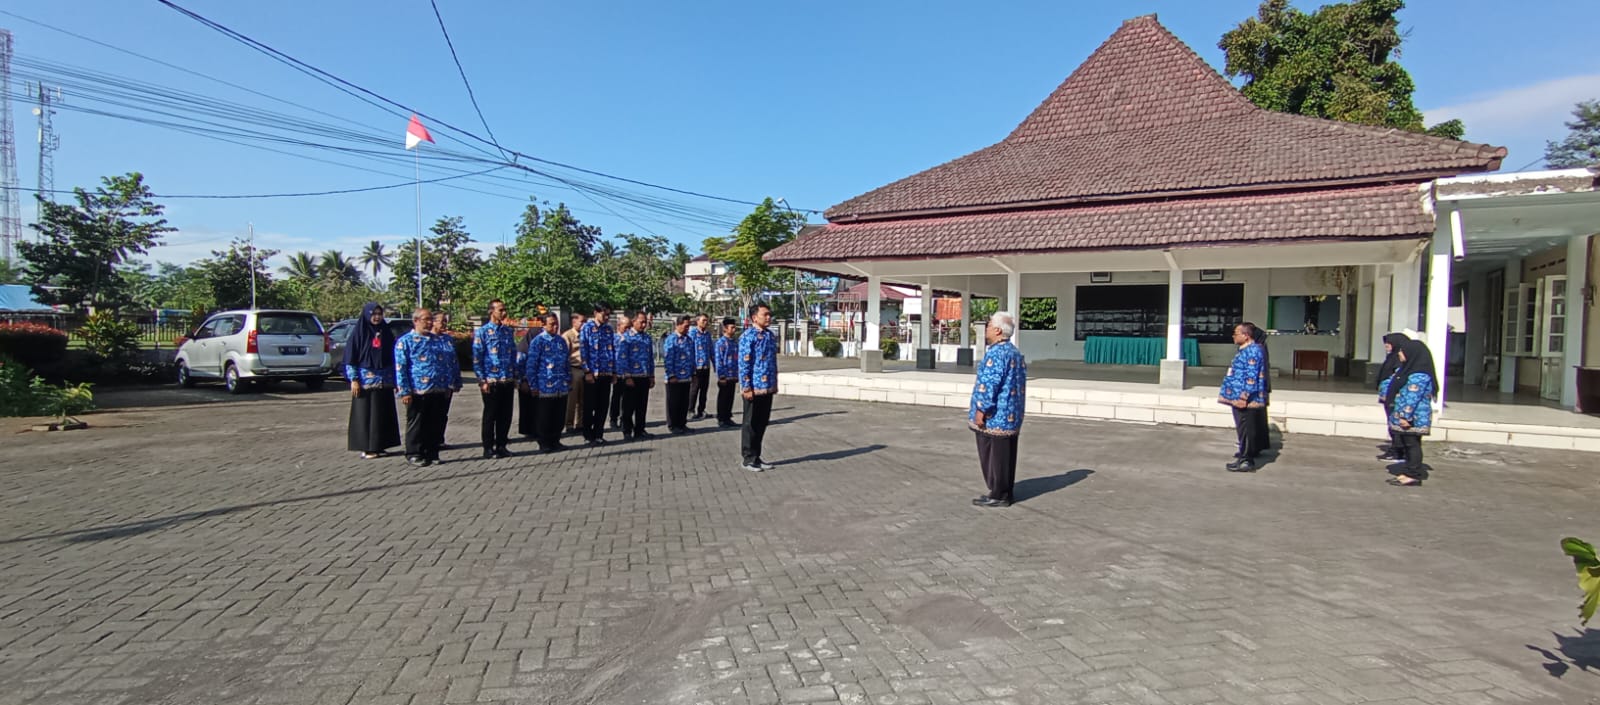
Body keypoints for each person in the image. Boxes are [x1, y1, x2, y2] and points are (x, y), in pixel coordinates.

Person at [970, 311, 1027, 508]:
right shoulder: (1014, 352)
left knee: (993, 456)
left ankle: (998, 493)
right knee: (1006, 456)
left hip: (996, 417)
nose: (986, 329)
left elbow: (990, 385)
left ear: (997, 330)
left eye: (988, 326)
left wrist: (981, 410)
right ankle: (1005, 491)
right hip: (1012, 415)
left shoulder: (996, 354)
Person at [395, 308, 453, 467]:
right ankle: (414, 453)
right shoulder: (405, 341)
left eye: (430, 320)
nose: (429, 323)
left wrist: (448, 384)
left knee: (435, 422)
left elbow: (445, 364)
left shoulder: (437, 340)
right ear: (415, 321)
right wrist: (405, 391)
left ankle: (432, 452)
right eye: (425, 319)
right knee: (417, 423)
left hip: (438, 388)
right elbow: (401, 368)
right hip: (417, 390)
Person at [344, 302, 400, 459]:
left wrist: (396, 381)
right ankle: (367, 447)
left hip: (385, 380)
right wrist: (354, 379)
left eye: (379, 314)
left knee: (382, 413)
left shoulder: (386, 332)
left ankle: (380, 445)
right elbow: (350, 358)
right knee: (366, 415)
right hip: (365, 382)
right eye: (373, 314)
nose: (376, 317)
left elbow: (393, 357)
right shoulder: (359, 333)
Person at [1386, 338, 1438, 487]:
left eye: (1402, 351)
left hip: (1413, 417)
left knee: (1412, 444)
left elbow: (1412, 398)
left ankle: (1413, 474)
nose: (1399, 354)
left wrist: (1405, 417)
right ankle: (1409, 470)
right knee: (1407, 443)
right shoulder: (1407, 370)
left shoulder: (1418, 375)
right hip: (1406, 415)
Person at [1219, 322, 1269, 472]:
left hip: (1246, 400)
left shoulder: (1253, 351)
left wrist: (1243, 397)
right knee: (1242, 429)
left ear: (1246, 336)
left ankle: (1247, 460)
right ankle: (1242, 456)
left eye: (1236, 333)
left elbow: (1251, 377)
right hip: (1237, 396)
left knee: (1247, 429)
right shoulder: (1244, 350)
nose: (1234, 336)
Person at [472, 299, 519, 459]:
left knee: (505, 415)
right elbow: (477, 357)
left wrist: (515, 376)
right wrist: (482, 380)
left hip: (507, 379)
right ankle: (488, 447)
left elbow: (513, 354)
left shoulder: (507, 331)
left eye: (505, 309)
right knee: (490, 415)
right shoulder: (482, 332)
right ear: (491, 311)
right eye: (500, 310)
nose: (504, 313)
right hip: (491, 380)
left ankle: (501, 445)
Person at [739, 303, 779, 472]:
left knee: (762, 422)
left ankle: (757, 456)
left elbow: (772, 362)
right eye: (765, 314)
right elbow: (744, 363)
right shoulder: (748, 336)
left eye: (770, 314)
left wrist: (774, 383)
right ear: (755, 317)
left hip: (767, 386)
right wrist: (746, 386)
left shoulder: (770, 336)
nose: (769, 317)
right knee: (751, 423)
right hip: (754, 387)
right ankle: (748, 458)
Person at [525, 313, 571, 453]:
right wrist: (533, 385)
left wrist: (568, 380)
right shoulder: (538, 341)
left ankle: (555, 440)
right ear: (544, 325)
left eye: (556, 324)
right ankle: (544, 442)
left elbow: (566, 362)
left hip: (560, 384)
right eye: (552, 324)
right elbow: (531, 365)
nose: (555, 327)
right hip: (545, 385)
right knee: (545, 416)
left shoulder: (561, 341)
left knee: (559, 415)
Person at [580, 304, 618, 445]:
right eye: (604, 314)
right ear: (596, 313)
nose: (606, 317)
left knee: (603, 406)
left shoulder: (608, 329)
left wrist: (614, 371)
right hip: (592, 374)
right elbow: (584, 351)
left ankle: (598, 434)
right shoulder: (587, 328)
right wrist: (587, 371)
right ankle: (588, 435)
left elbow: (612, 351)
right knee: (590, 406)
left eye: (608, 314)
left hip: (606, 372)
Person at [617, 311, 656, 440]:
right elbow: (622, 358)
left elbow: (650, 358)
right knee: (628, 406)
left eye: (645, 322)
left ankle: (640, 430)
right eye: (641, 322)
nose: (644, 324)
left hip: (644, 376)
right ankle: (627, 431)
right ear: (634, 322)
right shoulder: (626, 338)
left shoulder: (647, 338)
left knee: (642, 406)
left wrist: (651, 376)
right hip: (631, 377)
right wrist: (627, 376)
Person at [1375, 332, 1409, 461]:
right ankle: (1396, 448)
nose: (1386, 346)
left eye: (1388, 344)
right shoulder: (1391, 357)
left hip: (1395, 397)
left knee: (1395, 424)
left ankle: (1398, 450)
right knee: (1391, 423)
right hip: (1387, 396)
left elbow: (1396, 378)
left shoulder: (1399, 359)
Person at [430, 313, 461, 451]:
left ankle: (439, 439)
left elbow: (454, 360)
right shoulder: (428, 339)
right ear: (433, 322)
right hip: (431, 383)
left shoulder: (448, 339)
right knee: (432, 413)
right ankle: (430, 441)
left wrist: (456, 380)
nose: (444, 324)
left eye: (445, 321)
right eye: (441, 321)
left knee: (443, 413)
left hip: (447, 383)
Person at [663, 315, 695, 434]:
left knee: (683, 402)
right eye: (686, 326)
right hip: (674, 377)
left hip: (686, 376)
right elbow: (668, 359)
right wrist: (671, 375)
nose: (687, 329)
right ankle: (673, 425)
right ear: (678, 325)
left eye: (689, 326)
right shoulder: (671, 339)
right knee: (673, 402)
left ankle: (682, 423)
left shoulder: (689, 340)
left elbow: (692, 357)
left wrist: (693, 372)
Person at [1249, 325, 1273, 456]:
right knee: (1259, 418)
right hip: (1262, 388)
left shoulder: (1257, 349)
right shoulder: (1261, 347)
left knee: (1254, 420)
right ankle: (1257, 445)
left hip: (1257, 389)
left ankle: (1252, 447)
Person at [562, 312, 586, 434]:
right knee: (572, 399)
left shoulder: (585, 335)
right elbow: (564, 355)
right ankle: (569, 424)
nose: (584, 324)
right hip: (574, 368)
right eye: (582, 321)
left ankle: (580, 423)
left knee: (583, 399)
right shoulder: (568, 336)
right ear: (574, 322)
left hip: (585, 369)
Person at [714, 317, 739, 427]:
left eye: (735, 327)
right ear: (725, 328)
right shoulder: (721, 343)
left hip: (733, 375)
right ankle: (721, 418)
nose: (734, 330)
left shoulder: (734, 342)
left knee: (730, 397)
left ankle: (728, 417)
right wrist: (721, 376)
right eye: (732, 327)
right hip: (725, 375)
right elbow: (719, 360)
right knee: (723, 398)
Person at [689, 314, 714, 420]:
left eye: (706, 321)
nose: (705, 322)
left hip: (705, 366)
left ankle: (701, 410)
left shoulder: (707, 334)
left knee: (704, 390)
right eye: (703, 320)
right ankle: (690, 410)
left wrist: (715, 364)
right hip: (696, 367)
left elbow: (711, 350)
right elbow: (690, 350)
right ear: (697, 321)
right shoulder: (693, 333)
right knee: (694, 389)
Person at [516, 319, 537, 439]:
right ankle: (527, 430)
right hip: (525, 381)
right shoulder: (523, 348)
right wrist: (522, 380)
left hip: (536, 382)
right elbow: (519, 365)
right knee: (526, 407)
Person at [608, 314, 628, 430]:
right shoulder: (614, 338)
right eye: (626, 327)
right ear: (619, 326)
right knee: (616, 397)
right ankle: (613, 419)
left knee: (627, 398)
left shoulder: (630, 338)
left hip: (628, 373)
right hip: (617, 372)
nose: (627, 329)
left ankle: (624, 419)